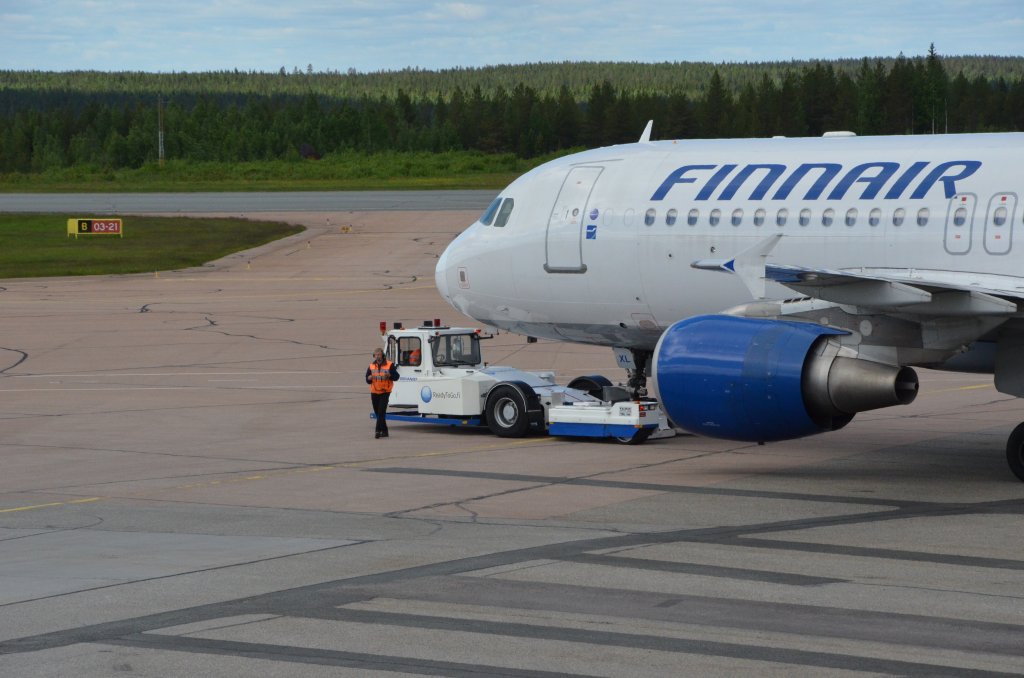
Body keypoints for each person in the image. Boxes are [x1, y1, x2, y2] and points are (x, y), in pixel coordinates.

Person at [366, 347, 399, 438]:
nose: (377, 357)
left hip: (385, 392)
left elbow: (396, 377)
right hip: (374, 392)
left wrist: (390, 375)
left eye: (379, 355)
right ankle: (385, 431)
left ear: (383, 356)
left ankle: (377, 431)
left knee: (381, 412)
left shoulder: (389, 365)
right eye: (375, 355)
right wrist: (369, 378)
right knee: (378, 413)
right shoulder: (371, 366)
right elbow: (367, 379)